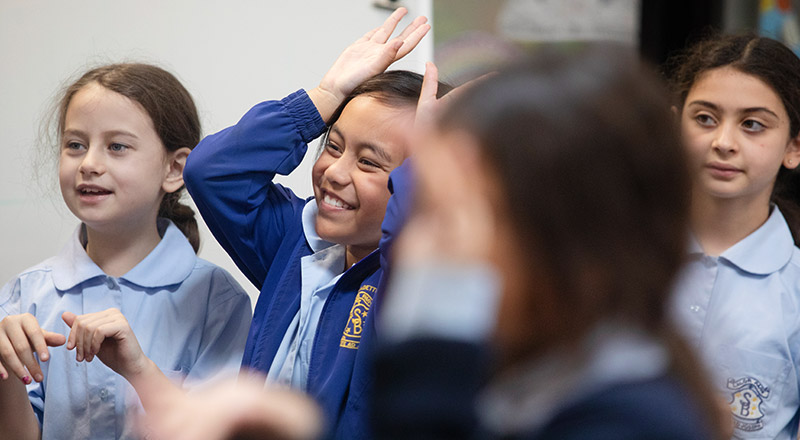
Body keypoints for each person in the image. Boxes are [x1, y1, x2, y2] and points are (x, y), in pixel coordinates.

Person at [371, 50, 724, 439]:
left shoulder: (627, 423)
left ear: (572, 244)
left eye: (455, 218)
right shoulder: (522, 375)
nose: (418, 252)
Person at [181, 7, 447, 438]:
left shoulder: (415, 280)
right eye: (334, 146)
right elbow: (212, 173)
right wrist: (325, 94)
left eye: (368, 162)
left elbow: (410, 261)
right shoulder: (298, 241)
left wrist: (431, 175)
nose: (336, 172)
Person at [0, 63, 252, 440]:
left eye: (117, 146)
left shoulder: (217, 301)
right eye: (75, 145)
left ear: (174, 168)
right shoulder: (26, 295)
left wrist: (139, 370)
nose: (89, 164)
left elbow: (218, 432)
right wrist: (6, 372)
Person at [668, 34, 800, 439]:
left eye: (752, 125)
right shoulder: (623, 256)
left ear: (794, 147)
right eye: (705, 118)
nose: (723, 143)